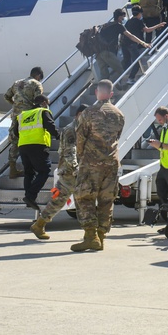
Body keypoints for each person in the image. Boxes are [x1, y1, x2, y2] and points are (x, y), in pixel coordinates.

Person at [71, 80, 125, 252]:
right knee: (106, 200)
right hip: (112, 163)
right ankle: (101, 237)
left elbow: (80, 139)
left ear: (96, 92)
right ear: (111, 93)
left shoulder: (88, 113)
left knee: (84, 197)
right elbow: (117, 136)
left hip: (91, 163)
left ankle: (90, 236)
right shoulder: (119, 114)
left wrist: (81, 158)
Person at [31, 104, 85, 240]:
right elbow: (68, 152)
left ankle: (91, 233)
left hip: (77, 172)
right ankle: (39, 224)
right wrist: (76, 169)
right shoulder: (70, 130)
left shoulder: (83, 129)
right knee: (61, 201)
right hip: (70, 173)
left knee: (83, 202)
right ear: (78, 115)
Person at [17, 94, 59, 211]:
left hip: (23, 146)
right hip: (38, 145)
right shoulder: (43, 111)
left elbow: (16, 132)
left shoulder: (22, 115)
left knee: (29, 173)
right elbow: (50, 126)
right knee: (44, 170)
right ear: (44, 103)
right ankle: (30, 196)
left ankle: (28, 199)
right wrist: (58, 135)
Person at [3, 67, 44, 179]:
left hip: (16, 117)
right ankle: (32, 168)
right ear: (38, 76)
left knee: (15, 142)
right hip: (27, 118)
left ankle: (12, 170)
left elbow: (6, 96)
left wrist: (15, 105)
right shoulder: (36, 84)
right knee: (30, 142)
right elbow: (38, 101)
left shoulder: (17, 83)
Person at [121, 5, 162, 85]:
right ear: (139, 14)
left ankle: (122, 79)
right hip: (132, 44)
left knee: (127, 62)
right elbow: (147, 30)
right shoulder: (139, 21)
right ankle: (131, 78)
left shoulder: (129, 21)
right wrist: (158, 25)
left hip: (124, 44)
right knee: (137, 62)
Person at [92, 9, 126, 82]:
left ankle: (103, 89)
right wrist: (143, 43)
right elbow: (130, 35)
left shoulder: (105, 25)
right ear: (119, 17)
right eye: (123, 17)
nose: (123, 19)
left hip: (98, 53)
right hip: (108, 52)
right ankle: (116, 83)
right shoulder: (118, 26)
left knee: (104, 75)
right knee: (120, 70)